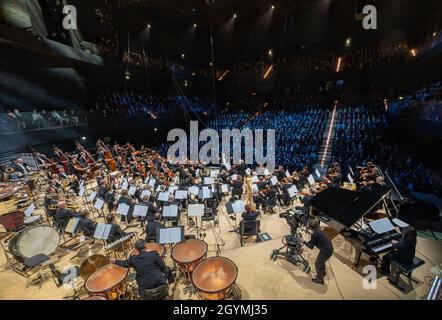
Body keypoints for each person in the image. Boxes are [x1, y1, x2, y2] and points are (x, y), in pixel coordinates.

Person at [301, 219, 334, 285]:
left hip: (326, 251)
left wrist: (303, 242)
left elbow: (311, 247)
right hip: (329, 249)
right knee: (321, 262)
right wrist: (307, 241)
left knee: (317, 264)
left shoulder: (314, 234)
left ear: (311, 226)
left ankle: (320, 280)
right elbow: (313, 241)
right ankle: (322, 274)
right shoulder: (318, 231)